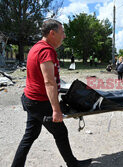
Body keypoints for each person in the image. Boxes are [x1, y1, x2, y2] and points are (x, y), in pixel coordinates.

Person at [11, 19, 92, 167]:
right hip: (39, 101)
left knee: (30, 135)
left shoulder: (37, 47)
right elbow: (49, 82)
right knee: (60, 133)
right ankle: (73, 164)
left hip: (31, 99)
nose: (64, 36)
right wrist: (56, 110)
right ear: (52, 33)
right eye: (62, 33)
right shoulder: (45, 51)